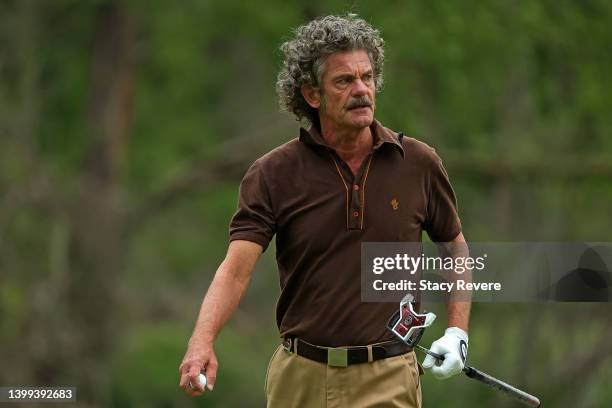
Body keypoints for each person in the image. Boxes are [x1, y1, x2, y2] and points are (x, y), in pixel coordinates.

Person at [179, 14, 471, 408]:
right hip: (299, 377)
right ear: (312, 95)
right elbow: (235, 270)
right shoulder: (273, 174)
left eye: (367, 77)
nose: (362, 90)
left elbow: (455, 248)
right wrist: (202, 341)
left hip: (388, 374)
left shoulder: (417, 163)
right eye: (344, 81)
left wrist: (457, 333)